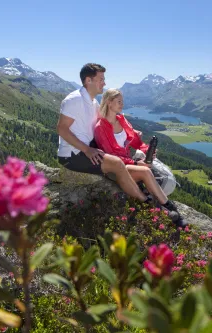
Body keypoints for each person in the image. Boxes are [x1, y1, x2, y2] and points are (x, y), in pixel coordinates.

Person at [56, 64, 186, 227]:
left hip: (85, 151)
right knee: (117, 163)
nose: (104, 83)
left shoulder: (93, 103)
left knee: (137, 169)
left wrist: (130, 132)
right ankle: (147, 202)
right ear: (88, 80)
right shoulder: (74, 99)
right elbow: (61, 128)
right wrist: (87, 149)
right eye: (101, 79)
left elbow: (108, 123)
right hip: (72, 155)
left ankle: (167, 205)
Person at [94, 88, 186, 227]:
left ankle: (168, 208)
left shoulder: (122, 120)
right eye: (119, 101)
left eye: (122, 101)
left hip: (127, 164)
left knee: (146, 170)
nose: (122, 104)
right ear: (108, 102)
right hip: (114, 168)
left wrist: (147, 151)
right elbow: (111, 156)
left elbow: (136, 142)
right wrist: (137, 163)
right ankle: (168, 208)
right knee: (145, 171)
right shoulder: (100, 127)